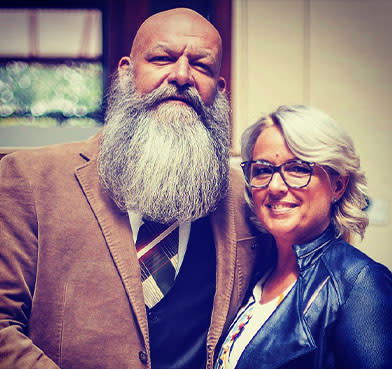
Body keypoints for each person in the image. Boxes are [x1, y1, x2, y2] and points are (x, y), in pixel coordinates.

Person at [0, 8, 261, 369]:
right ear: (126, 71)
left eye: (201, 66)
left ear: (219, 88)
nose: (182, 75)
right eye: (162, 58)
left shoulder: (244, 196)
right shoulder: (28, 178)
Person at [215, 105, 392, 369]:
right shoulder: (257, 272)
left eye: (298, 168)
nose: (274, 186)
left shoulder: (359, 283)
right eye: (262, 170)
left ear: (338, 185)